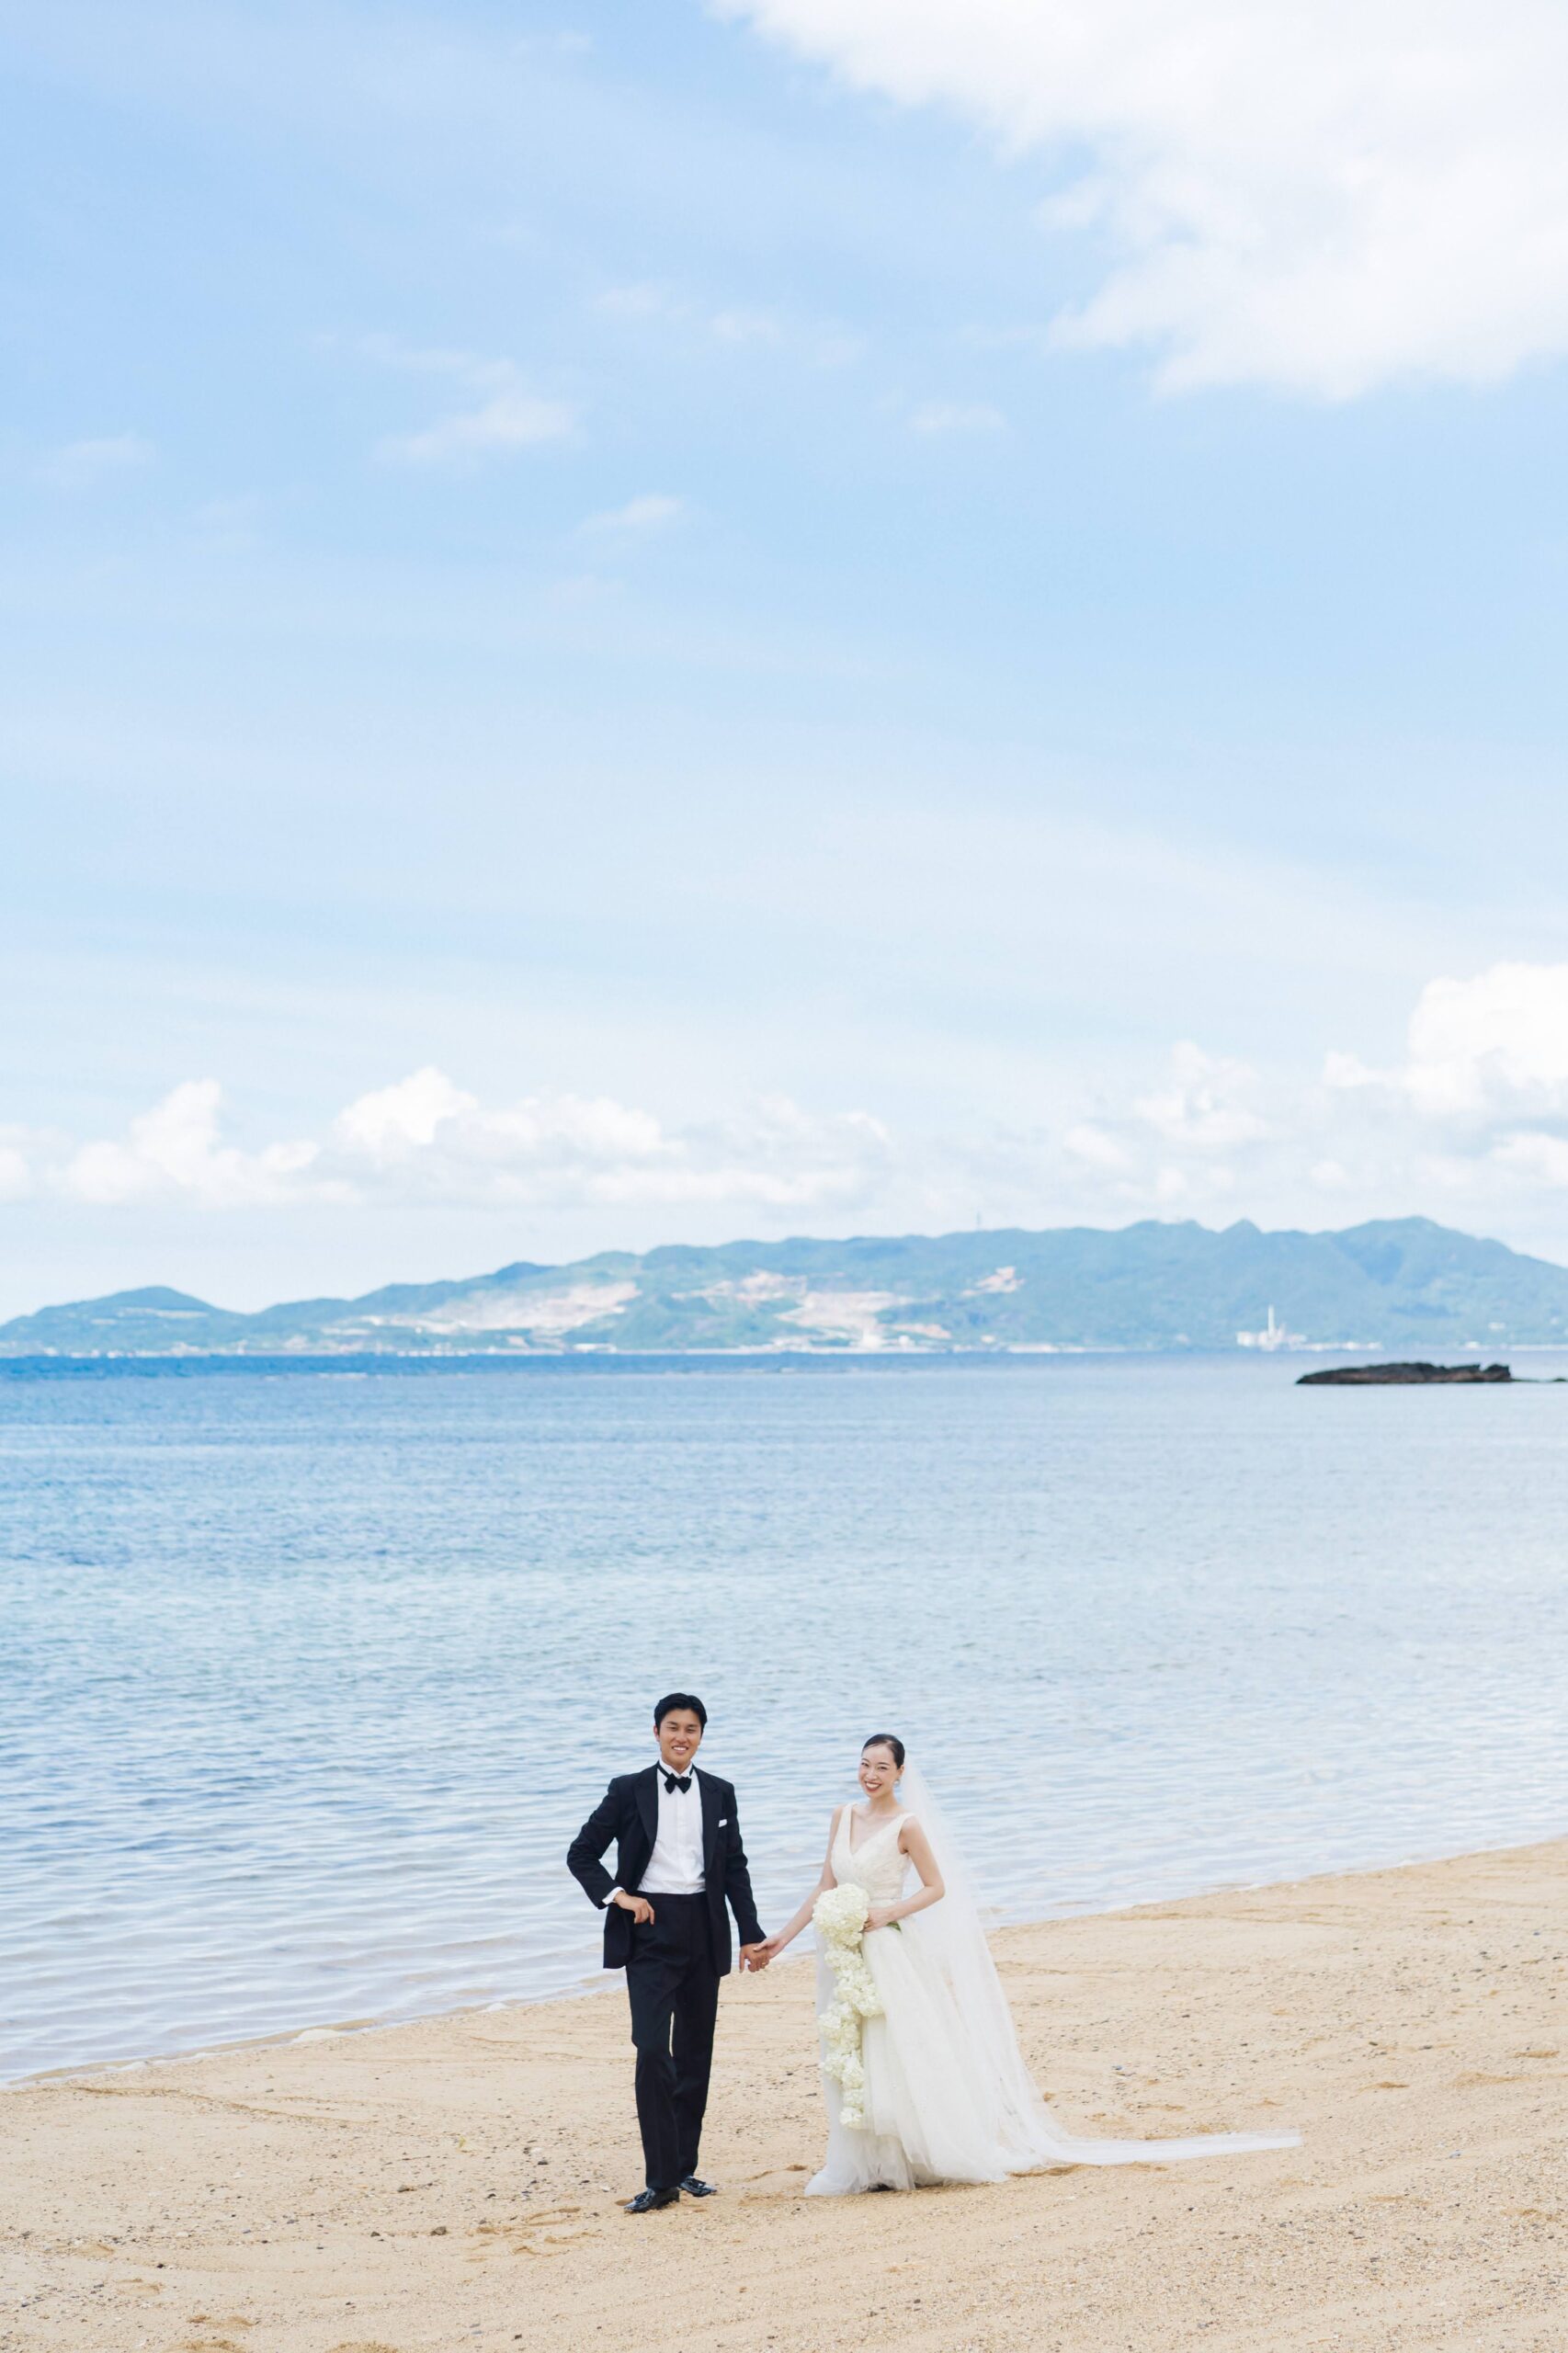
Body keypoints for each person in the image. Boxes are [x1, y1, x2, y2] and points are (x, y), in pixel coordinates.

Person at [756, 1733, 1300, 2195]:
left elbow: (937, 1887)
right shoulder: (841, 1817)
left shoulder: (908, 1825)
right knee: (849, 2047)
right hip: (842, 1951)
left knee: (898, 2046)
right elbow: (825, 1886)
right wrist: (782, 1937)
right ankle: (865, 2160)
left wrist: (888, 1912)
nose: (870, 1775)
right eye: (864, 1764)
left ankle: (913, 2154)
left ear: (900, 1772)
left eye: (882, 1767)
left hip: (890, 1946)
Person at [567, 1692, 767, 2212]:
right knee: (653, 2050)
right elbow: (581, 1852)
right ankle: (660, 2181)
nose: (682, 1737)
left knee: (695, 2054)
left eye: (692, 1729)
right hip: (649, 1932)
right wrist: (619, 1896)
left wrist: (749, 1933)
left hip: (703, 1929)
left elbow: (736, 1867)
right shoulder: (628, 1790)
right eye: (673, 1727)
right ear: (655, 1732)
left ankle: (683, 2169)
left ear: (702, 1736)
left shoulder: (721, 1793)